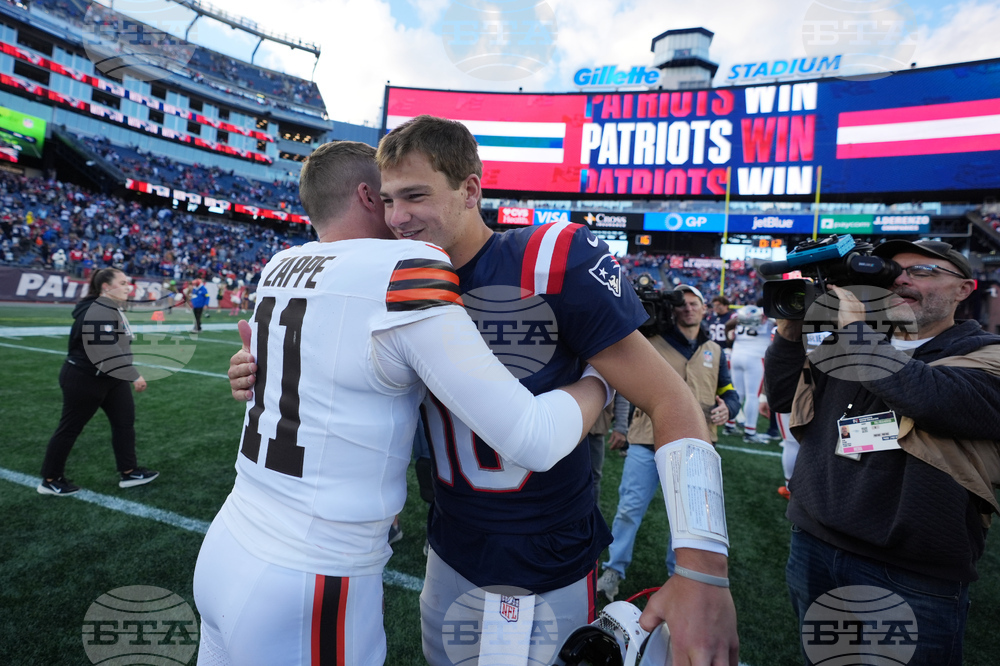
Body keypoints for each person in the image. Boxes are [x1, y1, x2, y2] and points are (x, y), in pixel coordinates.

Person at [230, 117, 739, 665]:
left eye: (416, 195)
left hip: (543, 558)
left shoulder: (548, 257)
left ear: (471, 189)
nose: (398, 217)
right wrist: (255, 366)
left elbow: (671, 399)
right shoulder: (385, 279)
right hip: (449, 546)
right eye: (390, 199)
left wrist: (700, 565)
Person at [198, 141, 612, 665]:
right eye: (392, 198)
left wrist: (252, 372)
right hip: (312, 571)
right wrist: (598, 377)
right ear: (371, 195)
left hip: (228, 541)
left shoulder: (281, 264)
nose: (400, 219)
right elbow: (532, 437)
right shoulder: (405, 266)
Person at [765, 239, 1000, 665]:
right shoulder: (859, 339)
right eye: (893, 271)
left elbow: (930, 397)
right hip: (816, 544)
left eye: (923, 271)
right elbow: (782, 396)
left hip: (911, 571)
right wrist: (790, 330)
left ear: (964, 289)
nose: (902, 279)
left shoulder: (987, 354)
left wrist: (855, 333)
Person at [597, 285, 740, 601]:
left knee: (688, 519)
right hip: (647, 440)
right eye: (683, 304)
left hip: (695, 447)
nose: (688, 308)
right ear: (674, 309)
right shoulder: (651, 342)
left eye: (694, 303)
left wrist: (728, 407)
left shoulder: (714, 349)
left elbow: (729, 391)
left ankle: (679, 577)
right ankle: (613, 570)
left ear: (704, 309)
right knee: (629, 509)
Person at [37, 267, 158, 496]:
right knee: (70, 428)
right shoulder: (96, 309)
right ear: (106, 286)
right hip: (84, 378)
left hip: (111, 378)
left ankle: (129, 471)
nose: (127, 286)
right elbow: (104, 348)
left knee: (124, 422)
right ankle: (50, 479)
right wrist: (133, 374)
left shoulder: (110, 307)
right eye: (122, 282)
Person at [726, 301, 773, 443]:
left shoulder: (743, 312)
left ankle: (729, 425)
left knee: (738, 393)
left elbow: (729, 324)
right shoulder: (768, 315)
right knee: (753, 396)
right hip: (755, 357)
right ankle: (750, 432)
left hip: (737, 355)